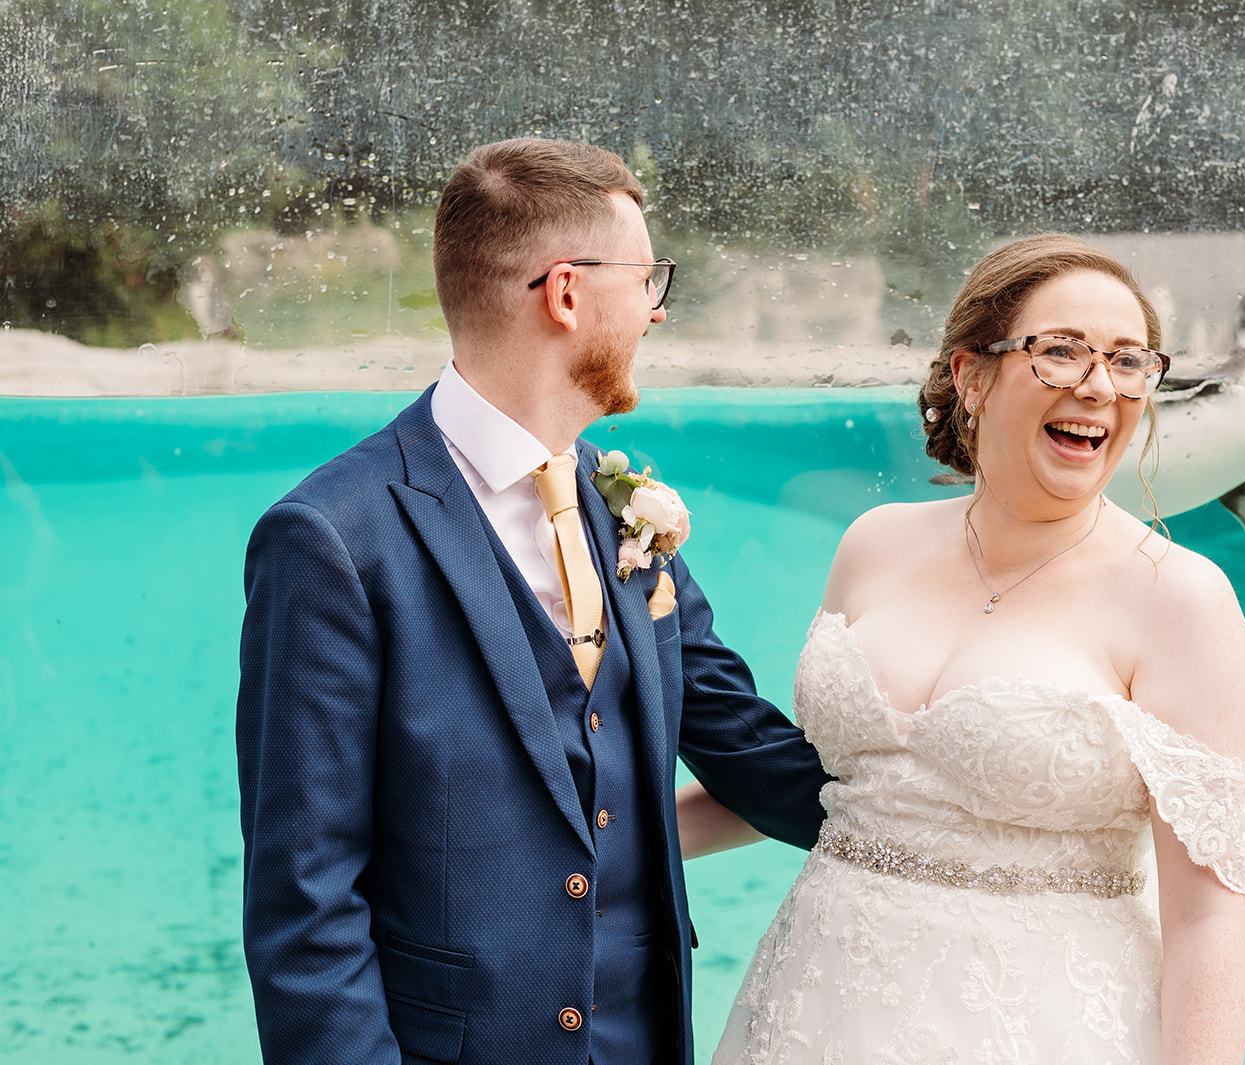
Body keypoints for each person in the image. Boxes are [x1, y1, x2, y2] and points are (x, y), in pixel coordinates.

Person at [236, 137, 831, 1065]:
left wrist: (968, 814)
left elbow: (754, 758)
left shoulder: (626, 506)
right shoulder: (332, 538)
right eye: (648, 281)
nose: (656, 312)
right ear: (566, 293)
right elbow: (305, 903)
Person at [681, 234, 1245, 1064]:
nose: (1098, 385)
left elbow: (1208, 924)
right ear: (971, 376)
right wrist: (595, 834)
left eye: (1128, 361)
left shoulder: (1181, 600)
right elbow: (831, 785)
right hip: (805, 1009)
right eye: (1061, 352)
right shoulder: (873, 544)